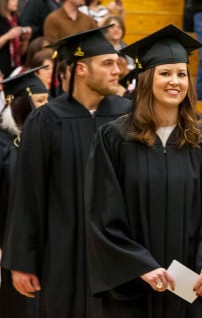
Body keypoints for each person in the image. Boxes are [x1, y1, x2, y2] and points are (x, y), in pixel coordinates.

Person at [85, 25, 202, 317]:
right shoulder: (114, 139)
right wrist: (141, 265)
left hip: (188, 286)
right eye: (165, 73)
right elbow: (103, 213)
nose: (175, 82)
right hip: (134, 288)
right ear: (146, 79)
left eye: (182, 74)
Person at [1, 26, 132, 317]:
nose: (117, 70)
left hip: (119, 254)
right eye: (108, 63)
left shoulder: (128, 116)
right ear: (81, 68)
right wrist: (22, 261)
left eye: (117, 63)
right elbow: (27, 194)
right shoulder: (46, 120)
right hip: (61, 254)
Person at [0, 66, 48, 318]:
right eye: (39, 100)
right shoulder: (3, 146)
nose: (46, 106)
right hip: (9, 249)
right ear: (18, 104)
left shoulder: (43, 143)